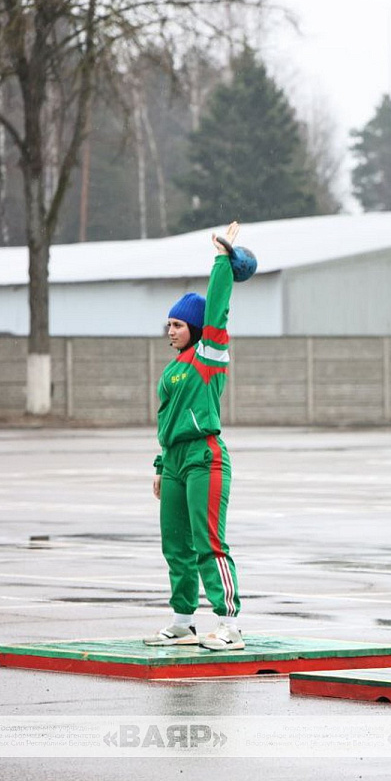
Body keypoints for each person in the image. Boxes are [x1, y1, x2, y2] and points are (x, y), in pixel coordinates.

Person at [144, 222, 243, 652]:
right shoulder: (172, 369)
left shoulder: (208, 357)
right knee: (175, 545)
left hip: (205, 458)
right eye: (168, 323)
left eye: (178, 324)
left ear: (197, 328)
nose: (171, 330)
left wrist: (222, 260)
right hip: (175, 462)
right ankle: (184, 622)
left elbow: (217, 308)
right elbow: (166, 422)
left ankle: (229, 625)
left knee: (208, 543)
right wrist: (160, 465)